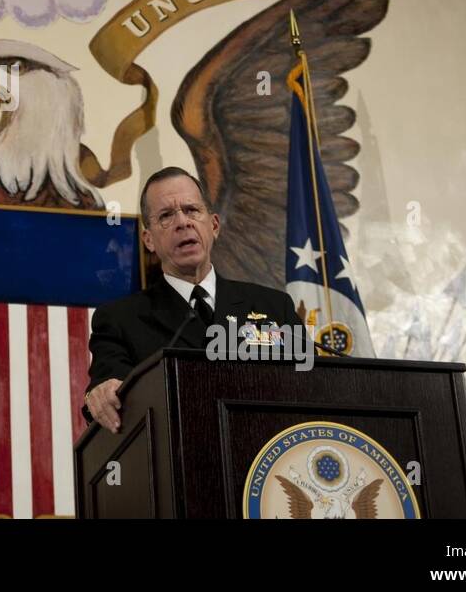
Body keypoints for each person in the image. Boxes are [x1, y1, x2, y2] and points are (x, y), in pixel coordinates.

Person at [83, 167, 303, 432]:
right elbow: (107, 387)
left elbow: (314, 384)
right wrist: (101, 392)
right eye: (166, 215)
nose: (182, 222)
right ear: (149, 240)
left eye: (191, 210)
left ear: (213, 226)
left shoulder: (274, 307)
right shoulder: (119, 320)